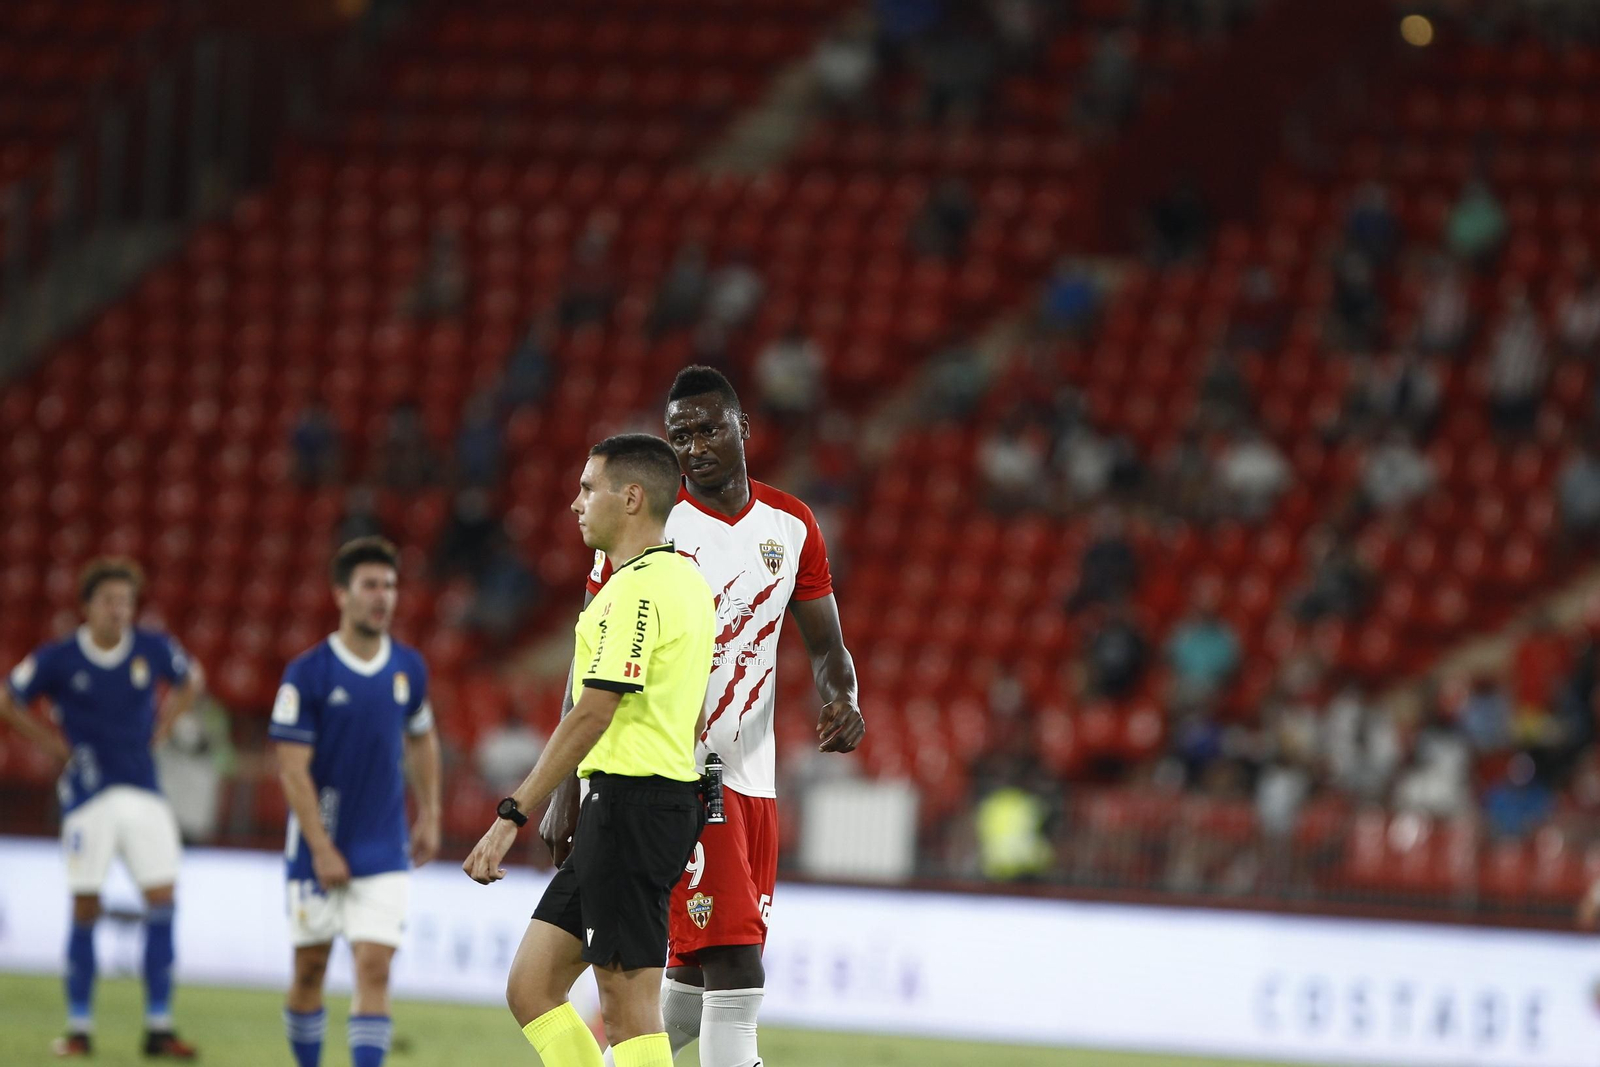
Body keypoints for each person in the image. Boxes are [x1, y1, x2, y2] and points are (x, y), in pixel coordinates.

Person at [546, 366, 866, 1067]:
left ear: (742, 427)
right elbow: (589, 659)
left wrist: (842, 696)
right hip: (684, 777)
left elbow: (827, 647)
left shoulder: (792, 525)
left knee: (691, 993)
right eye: (680, 435)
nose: (694, 446)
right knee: (738, 971)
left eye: (708, 429)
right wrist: (567, 785)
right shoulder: (656, 529)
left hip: (755, 783)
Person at [462, 434, 717, 1067]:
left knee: (628, 1011)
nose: (576, 503)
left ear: (630, 498)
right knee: (532, 986)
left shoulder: (637, 592)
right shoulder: (684, 579)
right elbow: (687, 712)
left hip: (634, 807)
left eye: (587, 488)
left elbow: (594, 711)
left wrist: (513, 813)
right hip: (633, 806)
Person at [1, 558, 205, 1058]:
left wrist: (164, 726)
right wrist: (51, 745)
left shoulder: (152, 648)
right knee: (86, 905)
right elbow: (8, 699)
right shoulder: (59, 657)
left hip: (144, 790)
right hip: (88, 796)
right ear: (87, 606)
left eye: (126, 601)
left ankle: (159, 1027)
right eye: (110, 600)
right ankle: (79, 1027)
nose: (119, 610)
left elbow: (192, 679)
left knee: (163, 899)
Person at [270, 537, 441, 1067]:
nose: (382, 596)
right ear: (341, 594)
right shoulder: (308, 673)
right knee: (309, 971)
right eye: (370, 585)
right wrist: (321, 848)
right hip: (317, 844)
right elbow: (292, 769)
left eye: (389, 585)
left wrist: (431, 813)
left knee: (374, 969)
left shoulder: (408, 668)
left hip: (383, 845)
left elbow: (422, 739)